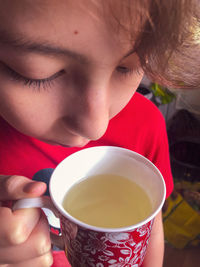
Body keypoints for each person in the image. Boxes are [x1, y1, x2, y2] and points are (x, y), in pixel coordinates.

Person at [0, 1, 199, 266]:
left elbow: (150, 223)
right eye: (38, 73)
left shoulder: (146, 125)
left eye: (127, 67)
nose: (96, 127)